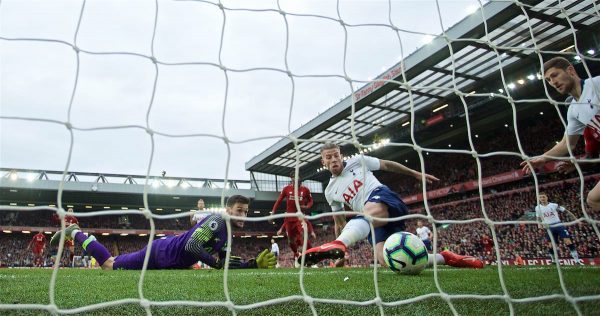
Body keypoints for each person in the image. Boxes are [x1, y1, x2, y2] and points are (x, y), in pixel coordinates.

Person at [299, 142, 484, 270]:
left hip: (382, 198)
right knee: (388, 260)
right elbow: (338, 222)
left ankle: (339, 243)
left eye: (336, 155)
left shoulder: (359, 161)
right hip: (370, 220)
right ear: (323, 162)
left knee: (368, 213)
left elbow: (387, 165)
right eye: (328, 157)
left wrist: (415, 174)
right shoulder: (330, 190)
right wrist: (338, 254)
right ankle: (445, 257)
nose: (333, 160)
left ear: (341, 155)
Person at [50, 195, 276, 270]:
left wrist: (251, 264)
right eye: (239, 211)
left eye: (246, 212)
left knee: (115, 261)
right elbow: (192, 247)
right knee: (109, 265)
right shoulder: (217, 221)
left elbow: (225, 261)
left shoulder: (227, 232)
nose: (243, 216)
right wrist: (214, 263)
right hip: (162, 253)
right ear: (228, 210)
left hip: (172, 256)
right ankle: (76, 232)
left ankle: (77, 233)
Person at [520, 57, 600, 209]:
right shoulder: (573, 110)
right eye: (548, 80)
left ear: (570, 70)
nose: (553, 82)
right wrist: (543, 159)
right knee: (593, 200)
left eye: (555, 75)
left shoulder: (595, 84)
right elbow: (566, 144)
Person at [271, 171, 315, 267]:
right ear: (291, 178)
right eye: (294, 177)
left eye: (298, 176)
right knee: (291, 241)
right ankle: (296, 255)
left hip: (300, 217)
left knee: (304, 236)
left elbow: (311, 200)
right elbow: (278, 201)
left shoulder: (305, 190)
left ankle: (311, 260)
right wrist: (273, 213)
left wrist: (307, 206)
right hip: (289, 219)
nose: (297, 178)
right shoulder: (287, 189)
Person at [534, 192, 582, 265]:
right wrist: (539, 226)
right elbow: (538, 218)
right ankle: (553, 261)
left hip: (558, 225)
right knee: (551, 245)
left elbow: (566, 211)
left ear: (547, 197)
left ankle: (577, 261)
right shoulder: (537, 208)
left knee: (568, 241)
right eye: (541, 197)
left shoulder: (554, 205)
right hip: (549, 227)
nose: (542, 199)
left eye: (543, 197)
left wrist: (576, 219)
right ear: (539, 199)